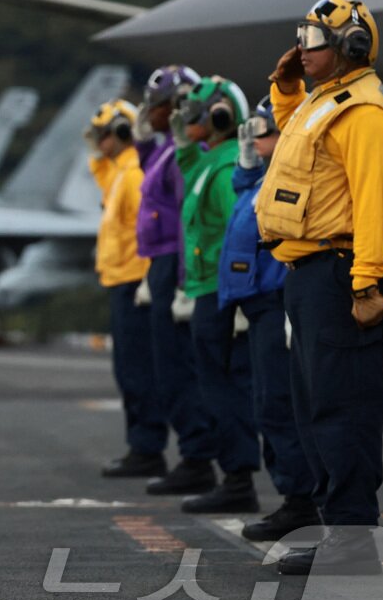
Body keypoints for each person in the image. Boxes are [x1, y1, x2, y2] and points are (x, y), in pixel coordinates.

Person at [258, 0, 383, 575]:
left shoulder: (364, 111)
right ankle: (333, 527)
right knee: (314, 406)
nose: (302, 49)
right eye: (302, 35)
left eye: (314, 40)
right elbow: (295, 142)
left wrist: (366, 283)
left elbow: (373, 204)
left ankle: (353, 539)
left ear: (352, 48)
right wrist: (287, 87)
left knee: (344, 408)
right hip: (308, 274)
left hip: (342, 275)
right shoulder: (324, 101)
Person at [219, 97, 316, 541]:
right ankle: (293, 496)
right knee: (267, 404)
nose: (256, 140)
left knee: (279, 405)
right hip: (259, 304)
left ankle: (301, 500)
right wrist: (245, 168)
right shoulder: (264, 177)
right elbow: (246, 205)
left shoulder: (296, 176)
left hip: (277, 300)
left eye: (265, 131)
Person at [172, 75, 259, 514]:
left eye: (195, 115)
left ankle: (238, 478)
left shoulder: (225, 167)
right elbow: (186, 167)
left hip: (219, 293)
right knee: (213, 385)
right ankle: (234, 475)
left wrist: (237, 296)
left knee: (222, 388)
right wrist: (182, 136)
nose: (186, 122)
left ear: (219, 117)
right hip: (206, 288)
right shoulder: (210, 161)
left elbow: (236, 232)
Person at [131, 66, 217, 492]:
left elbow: (186, 218)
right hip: (162, 262)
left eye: (157, 107)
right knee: (167, 366)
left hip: (173, 263)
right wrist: (143, 140)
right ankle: (194, 453)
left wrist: (182, 281)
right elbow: (154, 177)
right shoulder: (170, 148)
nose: (151, 114)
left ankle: (197, 456)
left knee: (177, 367)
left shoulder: (188, 151)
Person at [85, 100, 164, 479]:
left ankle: (147, 448)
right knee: (127, 369)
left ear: (118, 134)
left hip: (135, 283)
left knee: (137, 371)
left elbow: (147, 229)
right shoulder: (119, 171)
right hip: (121, 280)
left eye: (104, 134)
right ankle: (142, 446)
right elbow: (101, 178)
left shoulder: (133, 174)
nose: (97, 143)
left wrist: (150, 280)